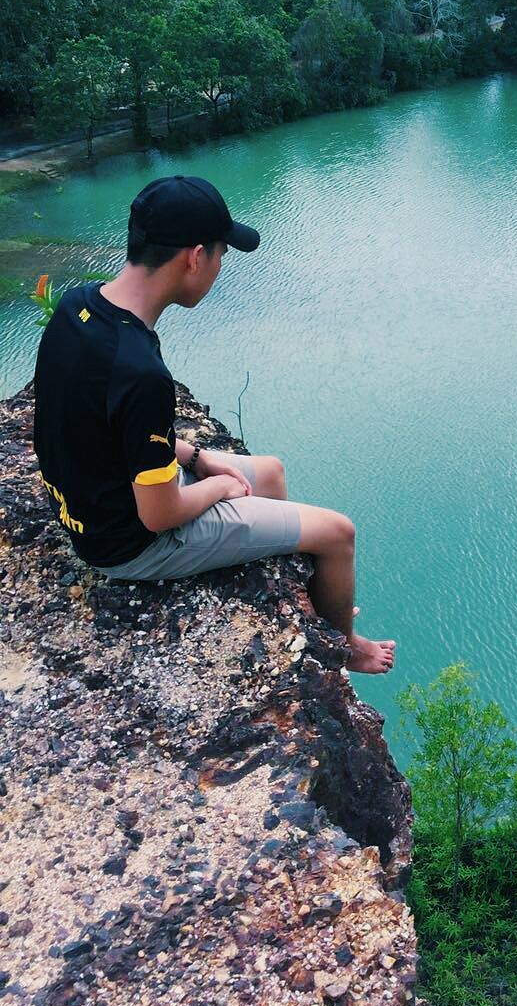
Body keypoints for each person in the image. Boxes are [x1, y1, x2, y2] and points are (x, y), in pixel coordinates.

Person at [32, 174, 395, 676]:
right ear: (194, 256)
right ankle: (344, 644)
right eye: (222, 254)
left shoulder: (78, 307)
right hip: (128, 544)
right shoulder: (140, 371)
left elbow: (108, 422)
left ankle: (304, 597)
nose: (220, 268)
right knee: (337, 534)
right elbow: (160, 514)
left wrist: (200, 457)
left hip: (89, 503)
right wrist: (221, 486)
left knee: (268, 472)